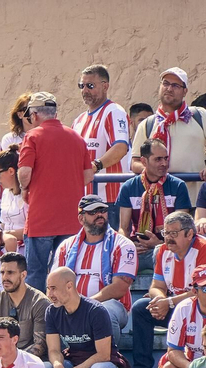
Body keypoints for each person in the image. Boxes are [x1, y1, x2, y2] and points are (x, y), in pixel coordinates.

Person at [18, 92, 95, 291]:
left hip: (41, 218)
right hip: (71, 219)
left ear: (34, 115)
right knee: (67, 275)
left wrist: (26, 188)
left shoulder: (32, 136)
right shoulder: (76, 136)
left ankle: (38, 320)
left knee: (35, 274)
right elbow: (88, 175)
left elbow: (24, 174)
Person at [140, 211, 206, 368]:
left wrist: (169, 302)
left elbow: (204, 291)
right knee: (141, 310)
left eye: (174, 233)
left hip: (200, 309)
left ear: (189, 233)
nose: (168, 238)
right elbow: (156, 286)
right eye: (166, 233)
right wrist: (160, 299)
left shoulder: (205, 249)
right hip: (174, 307)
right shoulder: (163, 250)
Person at [44, 266, 119, 368]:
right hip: (73, 363)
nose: (49, 295)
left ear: (69, 286)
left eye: (54, 289)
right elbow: (53, 349)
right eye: (48, 289)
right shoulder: (52, 311)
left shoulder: (96, 311)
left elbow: (103, 355)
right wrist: (58, 365)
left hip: (100, 367)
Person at [52, 195, 138, 333]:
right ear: (81, 218)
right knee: (51, 312)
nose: (99, 215)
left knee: (104, 314)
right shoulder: (66, 246)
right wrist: (72, 305)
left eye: (102, 210)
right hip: (71, 304)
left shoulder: (123, 244)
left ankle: (108, 355)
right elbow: (54, 284)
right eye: (92, 212)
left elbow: (119, 287)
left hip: (111, 304)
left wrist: (84, 305)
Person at [116, 138, 195, 278]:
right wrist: (127, 246)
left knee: (161, 253)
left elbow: (181, 230)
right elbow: (124, 228)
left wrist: (159, 243)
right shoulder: (129, 187)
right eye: (158, 159)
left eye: (166, 158)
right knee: (114, 260)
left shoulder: (178, 186)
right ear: (144, 161)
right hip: (138, 248)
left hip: (167, 247)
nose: (164, 163)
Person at [130, 68, 206, 177]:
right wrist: (154, 171)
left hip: (196, 192)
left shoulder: (199, 115)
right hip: (159, 192)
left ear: (185, 91)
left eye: (175, 86)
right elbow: (135, 163)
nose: (169, 89)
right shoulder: (146, 125)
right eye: (165, 83)